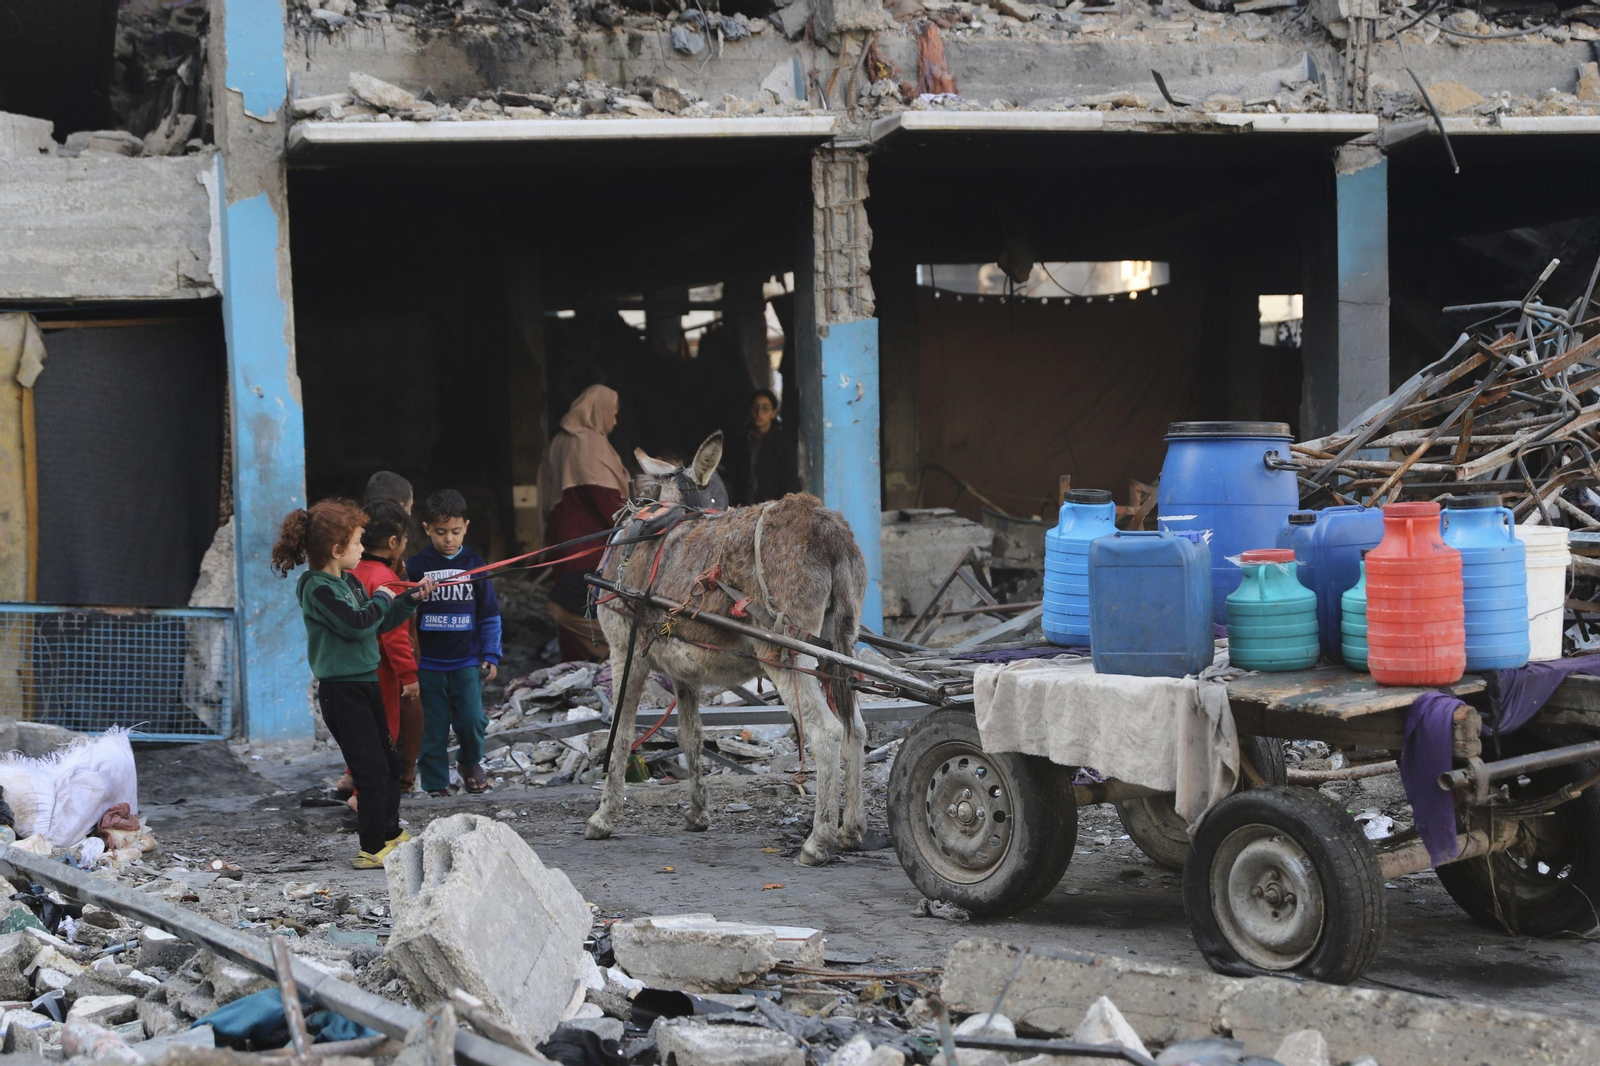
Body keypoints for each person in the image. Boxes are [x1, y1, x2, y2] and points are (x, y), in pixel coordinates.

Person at [271, 499, 434, 869]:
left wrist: (409, 599)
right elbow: (356, 623)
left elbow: (378, 620)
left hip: (367, 683)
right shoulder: (316, 588)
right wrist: (381, 596)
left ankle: (391, 832)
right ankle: (372, 847)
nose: (363, 548)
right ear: (336, 549)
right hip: (342, 693)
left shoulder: (349, 581)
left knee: (389, 762)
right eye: (359, 542)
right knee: (370, 769)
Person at [405, 490, 502, 797]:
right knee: (432, 728)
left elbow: (489, 613)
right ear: (426, 529)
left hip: (466, 661)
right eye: (440, 532)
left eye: (455, 532)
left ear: (466, 527)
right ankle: (435, 785)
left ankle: (470, 762)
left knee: (472, 720)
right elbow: (404, 615)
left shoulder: (475, 563)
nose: (449, 539)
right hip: (429, 665)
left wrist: (492, 654)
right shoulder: (416, 566)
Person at [537, 384, 631, 662]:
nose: (614, 422)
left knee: (570, 606)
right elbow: (606, 501)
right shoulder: (587, 442)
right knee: (587, 605)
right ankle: (601, 661)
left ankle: (573, 666)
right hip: (586, 545)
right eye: (612, 414)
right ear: (598, 411)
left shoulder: (560, 440)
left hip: (564, 542)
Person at [350, 499, 423, 792]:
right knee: (385, 732)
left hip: (352, 669)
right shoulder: (387, 579)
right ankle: (364, 797)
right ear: (394, 542)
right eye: (405, 539)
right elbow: (394, 635)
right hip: (381, 672)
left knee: (359, 731)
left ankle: (354, 782)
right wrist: (409, 675)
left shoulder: (350, 571)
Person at [726, 388, 800, 506]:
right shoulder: (742, 441)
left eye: (765, 408)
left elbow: (789, 483)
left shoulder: (782, 444)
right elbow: (733, 478)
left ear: (774, 413)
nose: (759, 413)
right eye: (755, 407)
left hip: (772, 508)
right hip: (744, 508)